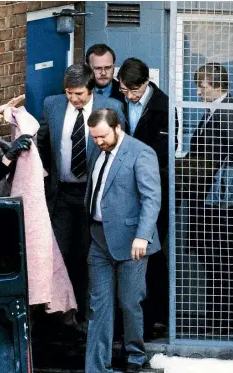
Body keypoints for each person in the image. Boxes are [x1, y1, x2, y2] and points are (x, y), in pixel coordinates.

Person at [37, 64, 126, 329]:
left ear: (91, 89)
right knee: (59, 254)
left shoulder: (110, 107)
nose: (73, 99)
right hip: (62, 194)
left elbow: (120, 151)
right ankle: (60, 316)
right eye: (69, 93)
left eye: (79, 94)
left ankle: (91, 318)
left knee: (90, 256)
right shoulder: (52, 105)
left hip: (93, 194)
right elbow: (42, 141)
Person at [179, 62, 233, 335]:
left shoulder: (229, 114)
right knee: (212, 257)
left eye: (202, 85)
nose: (198, 91)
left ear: (217, 85)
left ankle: (226, 318)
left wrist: (217, 175)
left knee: (217, 257)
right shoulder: (214, 112)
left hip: (220, 203)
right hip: (207, 200)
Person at [84, 108, 161, 373]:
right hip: (99, 238)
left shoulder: (141, 153)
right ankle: (97, 367)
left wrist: (142, 236)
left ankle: (135, 358)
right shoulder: (97, 148)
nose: (98, 142)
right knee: (99, 306)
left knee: (130, 303)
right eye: (94, 137)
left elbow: (151, 199)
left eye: (102, 136)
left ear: (117, 128)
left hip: (132, 242)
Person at [117, 57, 176, 339]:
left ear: (145, 84)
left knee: (152, 252)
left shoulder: (164, 107)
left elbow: (164, 151)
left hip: (152, 187)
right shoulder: (118, 103)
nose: (128, 96)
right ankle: (127, 318)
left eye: (133, 92)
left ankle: (155, 316)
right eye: (124, 91)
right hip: (123, 190)